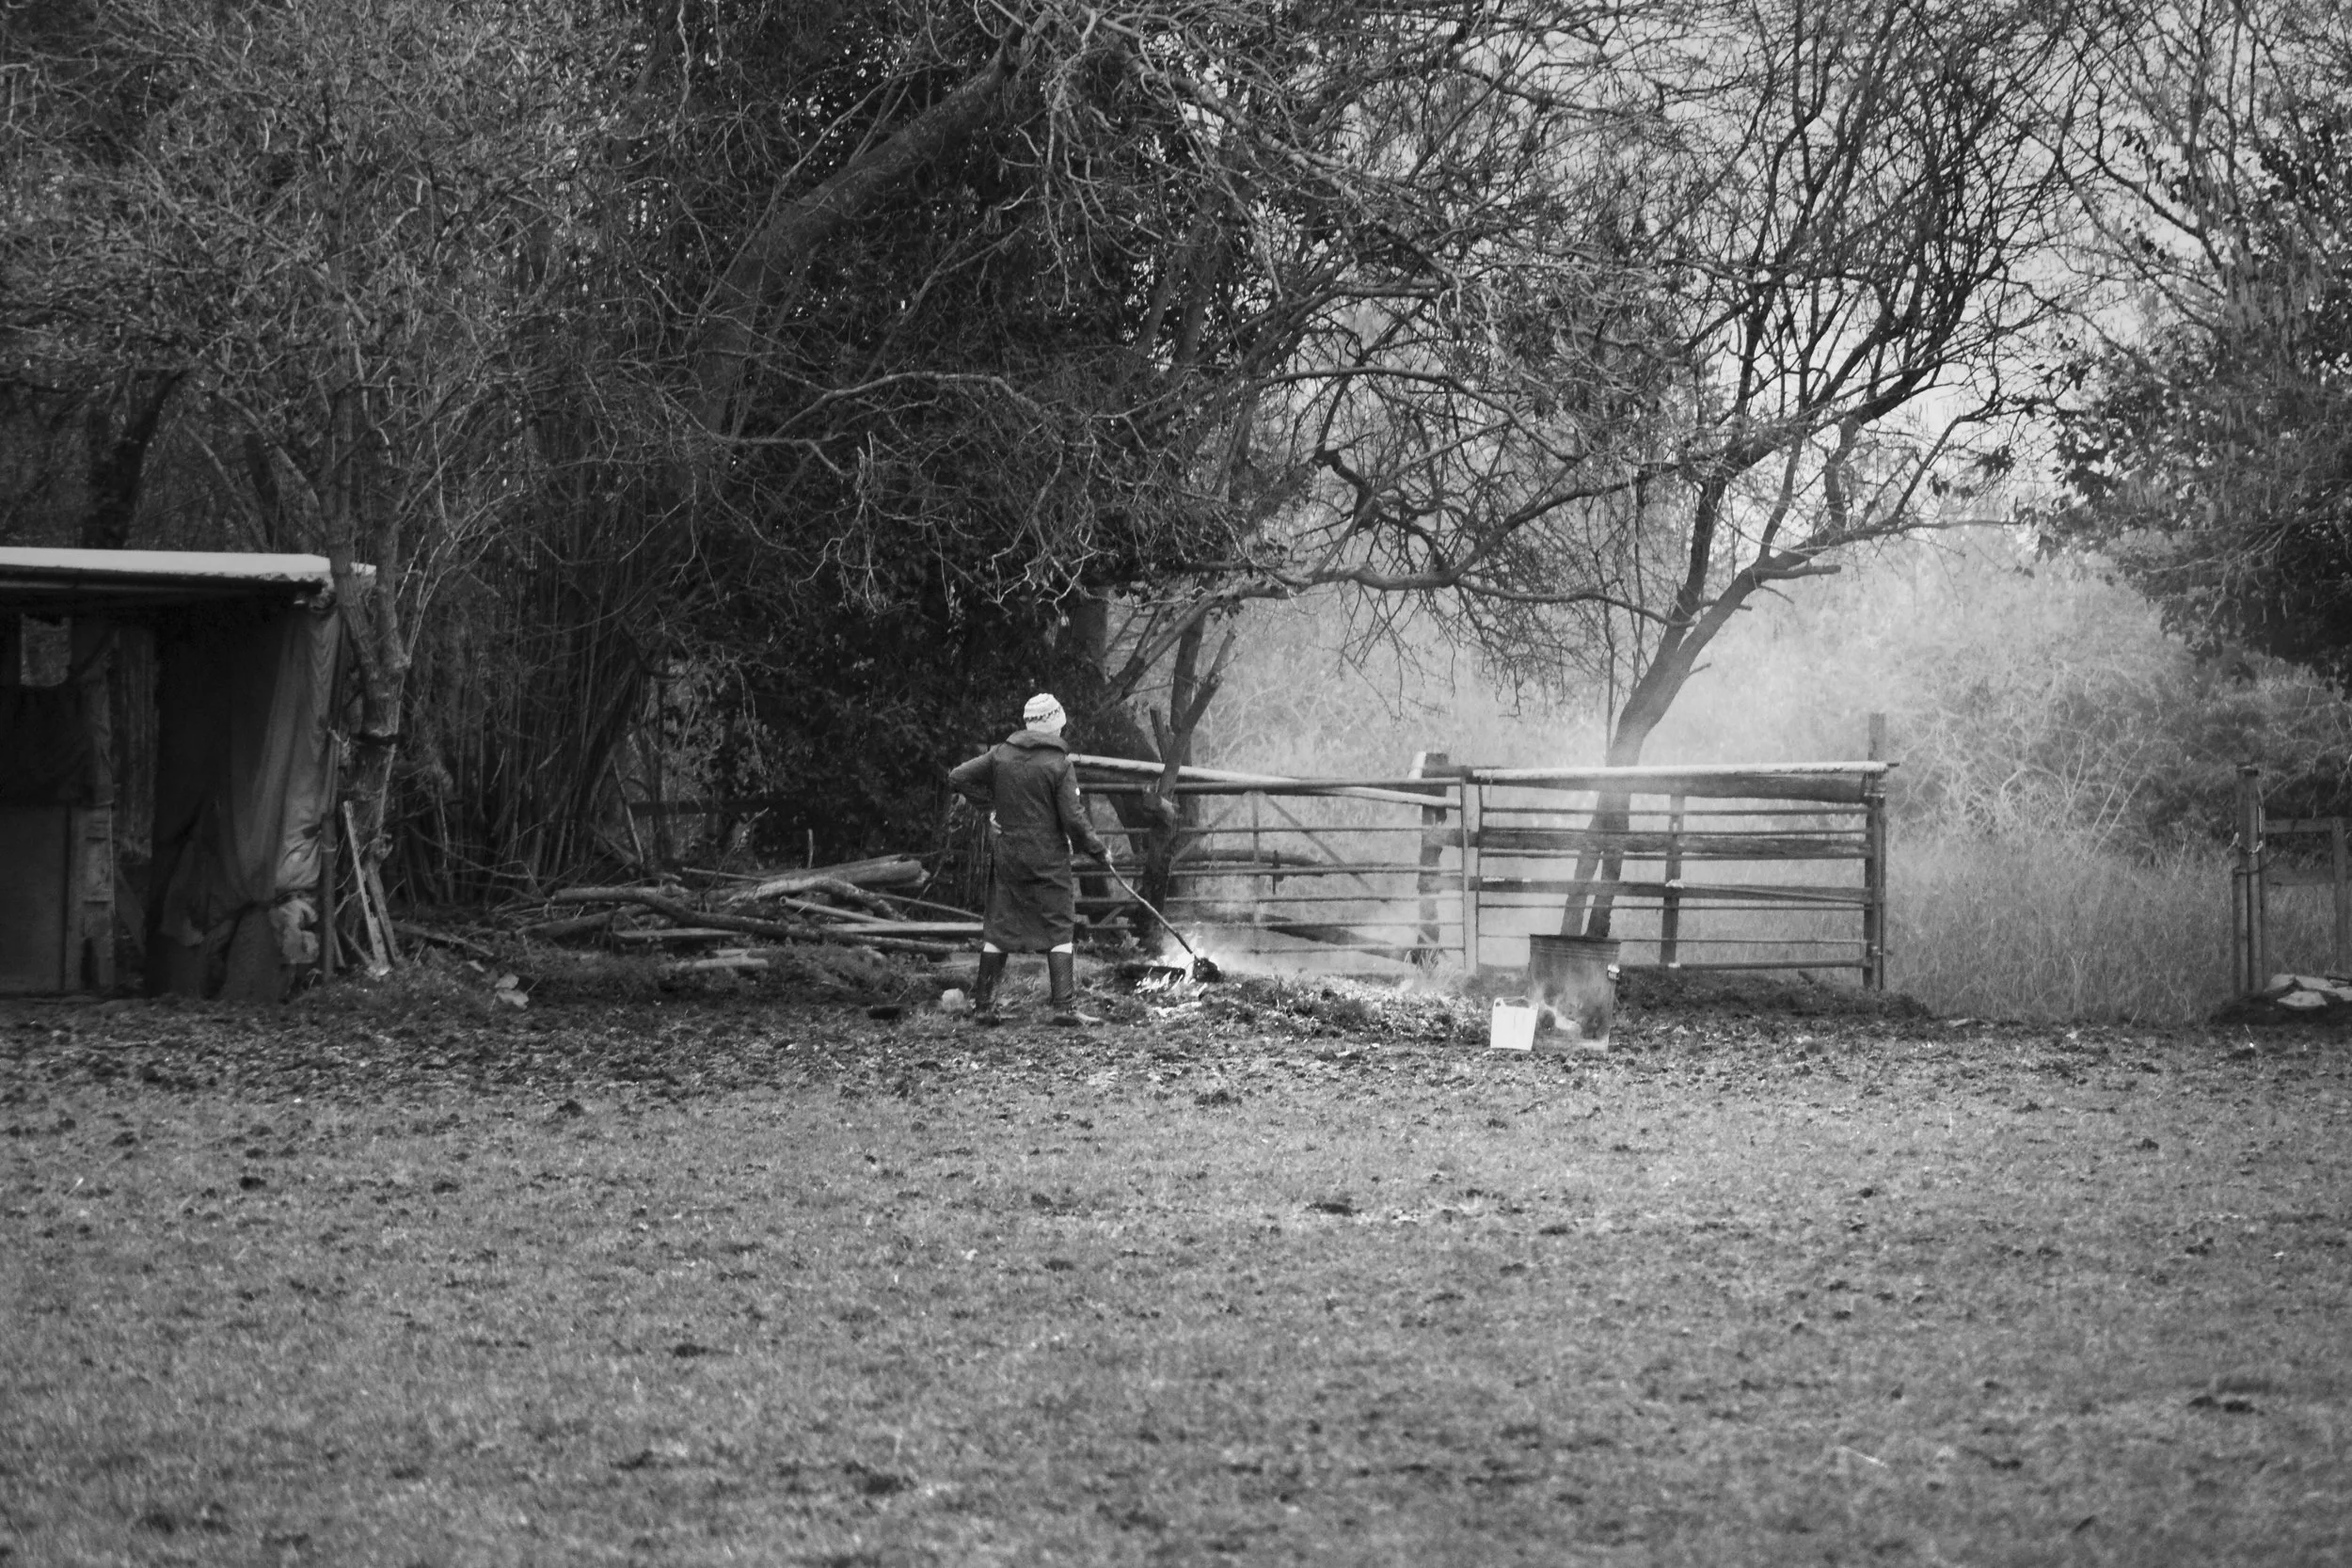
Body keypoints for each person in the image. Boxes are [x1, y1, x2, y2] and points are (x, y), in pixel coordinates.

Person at [947, 691, 1112, 1024]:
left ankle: (984, 1007)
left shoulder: (1000, 755)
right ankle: (1064, 1007)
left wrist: (989, 807)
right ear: (1054, 725)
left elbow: (957, 777)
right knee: (1059, 925)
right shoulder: (1059, 765)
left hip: (1008, 854)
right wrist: (1098, 850)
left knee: (1000, 925)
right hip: (1047, 858)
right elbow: (1073, 819)